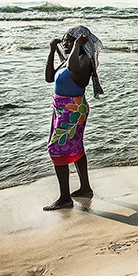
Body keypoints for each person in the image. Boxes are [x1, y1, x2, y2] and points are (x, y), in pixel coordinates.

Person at [44, 25, 104, 211]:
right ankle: (85, 188)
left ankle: (65, 198)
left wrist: (78, 44)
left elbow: (72, 66)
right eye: (64, 41)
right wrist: (53, 51)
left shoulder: (83, 60)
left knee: (56, 149)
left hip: (72, 109)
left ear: (81, 42)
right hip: (63, 109)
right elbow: (49, 77)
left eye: (69, 41)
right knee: (75, 147)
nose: (65, 44)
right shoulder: (68, 60)